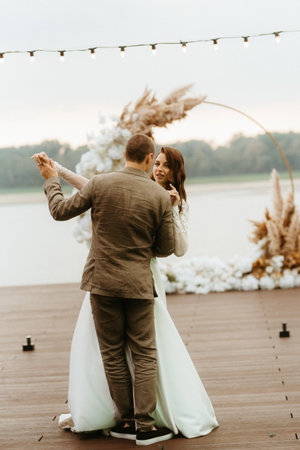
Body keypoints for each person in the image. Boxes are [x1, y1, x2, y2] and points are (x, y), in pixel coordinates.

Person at [32, 141, 218, 445]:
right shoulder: (158, 196)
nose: (157, 167)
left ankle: (126, 421)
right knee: (144, 353)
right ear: (148, 159)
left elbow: (62, 208)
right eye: (155, 162)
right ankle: (145, 427)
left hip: (101, 283)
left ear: (124, 155)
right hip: (139, 284)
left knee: (112, 354)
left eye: (164, 164)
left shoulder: (105, 184)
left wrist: (51, 178)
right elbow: (164, 249)